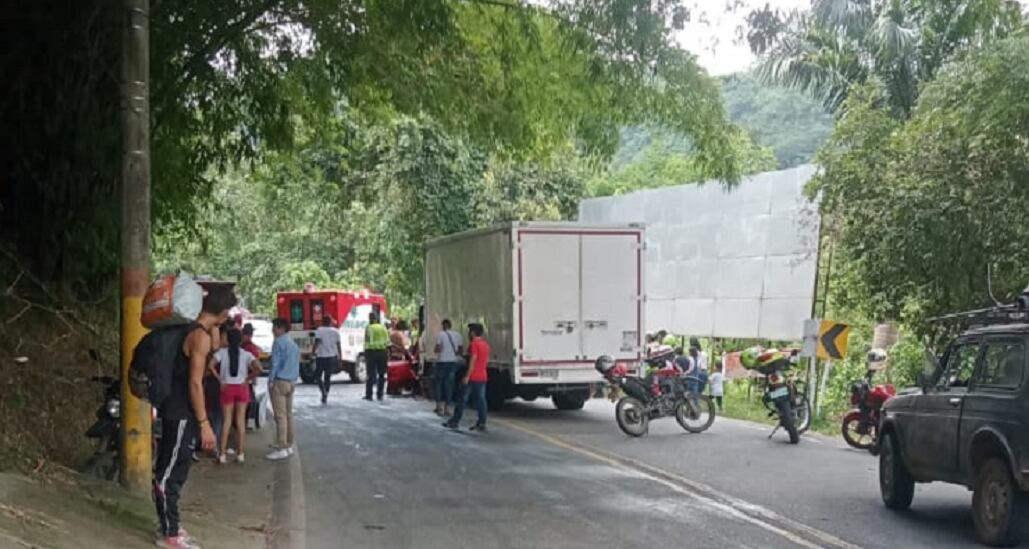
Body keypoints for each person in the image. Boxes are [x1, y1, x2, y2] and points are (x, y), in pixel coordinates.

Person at [154, 285, 235, 549]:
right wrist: (204, 424)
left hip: (182, 411)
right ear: (224, 312)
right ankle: (169, 534)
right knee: (168, 474)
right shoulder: (198, 336)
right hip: (179, 411)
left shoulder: (197, 331)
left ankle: (171, 525)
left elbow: (214, 345)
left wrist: (214, 323)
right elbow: (195, 383)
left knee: (178, 470)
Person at [214, 328, 261, 463]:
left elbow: (210, 366)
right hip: (242, 388)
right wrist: (248, 379)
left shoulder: (221, 353)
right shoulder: (246, 354)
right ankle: (240, 454)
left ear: (228, 340)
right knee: (240, 422)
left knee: (227, 422)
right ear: (240, 340)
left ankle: (222, 454)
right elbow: (259, 368)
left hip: (227, 388)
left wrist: (220, 380)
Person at [444, 323, 489, 432]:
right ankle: (482, 422)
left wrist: (467, 376)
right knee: (481, 400)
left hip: (472, 376)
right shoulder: (485, 345)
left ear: (473, 333)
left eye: (469, 332)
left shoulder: (474, 344)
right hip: (482, 376)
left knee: (462, 399)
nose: (468, 334)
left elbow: (473, 361)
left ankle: (455, 421)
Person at [267, 318, 300, 460]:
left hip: (279, 381)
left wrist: (270, 380)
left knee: (280, 416)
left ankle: (282, 446)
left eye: (274, 327)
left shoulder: (278, 342)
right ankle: (288, 444)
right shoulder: (293, 344)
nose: (273, 330)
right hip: (291, 382)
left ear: (281, 328)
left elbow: (275, 363)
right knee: (288, 414)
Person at [433, 319, 463, 417]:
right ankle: (447, 408)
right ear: (450, 325)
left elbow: (437, 349)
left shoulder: (441, 334)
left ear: (443, 326)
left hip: (442, 362)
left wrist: (439, 349)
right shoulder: (458, 335)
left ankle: (438, 407)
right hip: (453, 363)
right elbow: (460, 351)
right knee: (449, 386)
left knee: (439, 384)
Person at [312, 315, 341, 404]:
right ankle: (326, 394)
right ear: (330, 322)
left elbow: (317, 342)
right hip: (332, 356)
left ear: (323, 321)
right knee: (327, 377)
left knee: (317, 376)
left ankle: (323, 391)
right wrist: (340, 356)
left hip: (321, 356)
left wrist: (313, 352)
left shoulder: (319, 330)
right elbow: (338, 345)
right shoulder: (336, 331)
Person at [364, 312, 390, 401]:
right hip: (382, 352)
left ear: (371, 318)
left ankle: (369, 395)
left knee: (370, 374)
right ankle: (380, 394)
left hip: (371, 352)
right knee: (381, 374)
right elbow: (387, 341)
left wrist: (365, 352)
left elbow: (366, 340)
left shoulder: (369, 328)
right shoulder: (383, 327)